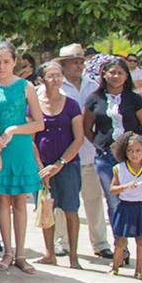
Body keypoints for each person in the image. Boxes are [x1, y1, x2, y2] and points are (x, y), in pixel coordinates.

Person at [83, 56, 142, 268]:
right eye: (111, 72)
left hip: (134, 158)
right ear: (104, 74)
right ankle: (121, 248)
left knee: (141, 201)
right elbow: (88, 128)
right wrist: (101, 145)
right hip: (106, 158)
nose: (115, 76)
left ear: (126, 76)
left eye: (120, 73)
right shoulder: (94, 99)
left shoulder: (135, 99)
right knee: (115, 203)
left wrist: (139, 151)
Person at [0, 41, 44, 274]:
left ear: (15, 62)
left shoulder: (25, 86)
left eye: (6, 61)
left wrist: (13, 130)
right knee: (1, 200)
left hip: (19, 147)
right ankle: (7, 251)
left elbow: (39, 123)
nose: (1, 66)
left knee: (20, 200)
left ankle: (20, 253)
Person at [52, 43, 109, 259]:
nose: (78, 65)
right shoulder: (56, 85)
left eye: (80, 61)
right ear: (64, 64)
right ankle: (62, 241)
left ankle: (100, 243)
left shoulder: (93, 85)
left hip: (88, 152)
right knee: (63, 200)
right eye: (74, 62)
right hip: (63, 153)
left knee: (93, 200)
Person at [35, 60, 86, 269]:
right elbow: (31, 138)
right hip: (42, 166)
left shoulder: (72, 104)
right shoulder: (35, 105)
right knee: (46, 208)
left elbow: (79, 138)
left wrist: (60, 163)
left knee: (71, 210)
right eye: (51, 75)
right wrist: (41, 167)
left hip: (68, 165)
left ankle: (73, 257)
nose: (56, 79)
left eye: (58, 74)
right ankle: (49, 254)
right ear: (42, 79)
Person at [107, 133, 142, 277]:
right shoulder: (119, 168)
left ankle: (138, 271)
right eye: (130, 150)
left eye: (138, 151)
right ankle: (115, 268)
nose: (134, 154)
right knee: (120, 240)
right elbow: (112, 190)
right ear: (124, 151)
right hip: (126, 207)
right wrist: (126, 186)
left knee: (141, 240)